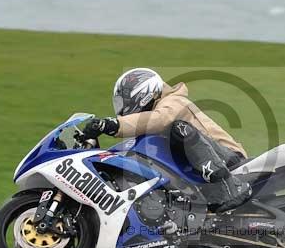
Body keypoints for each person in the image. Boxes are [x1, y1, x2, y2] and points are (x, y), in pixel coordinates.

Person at [82, 67, 251, 212]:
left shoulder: (173, 101)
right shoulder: (150, 123)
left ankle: (230, 188)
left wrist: (114, 125)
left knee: (179, 128)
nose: (122, 107)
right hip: (198, 170)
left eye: (125, 101)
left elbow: (162, 118)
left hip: (229, 160)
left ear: (143, 94)